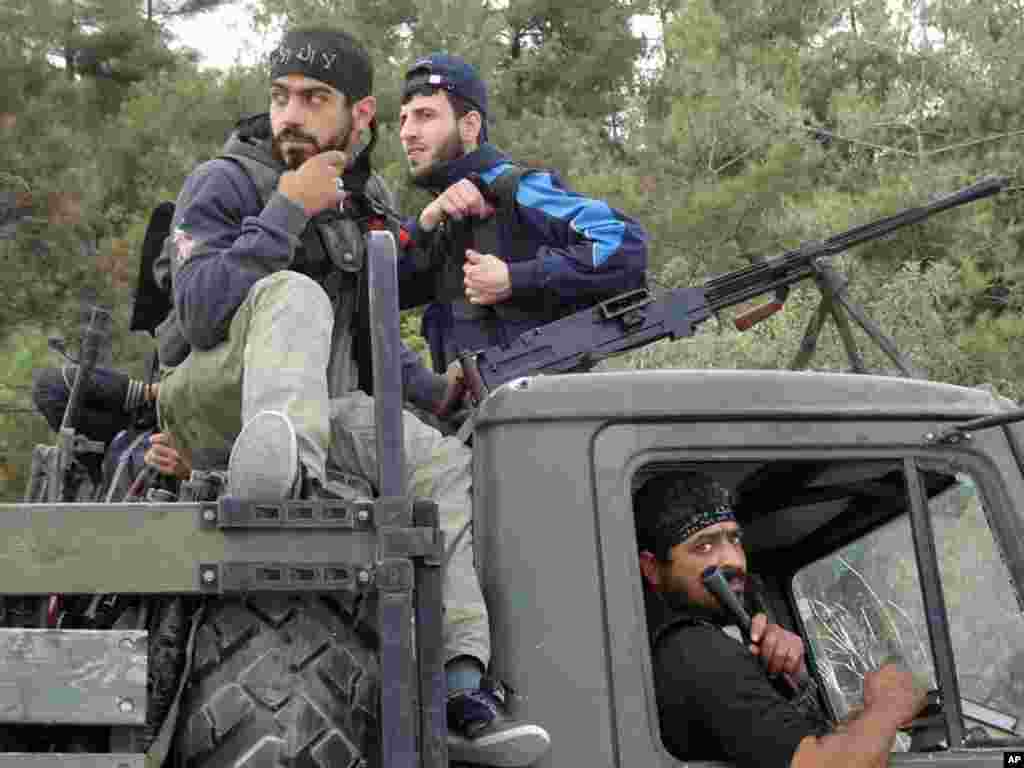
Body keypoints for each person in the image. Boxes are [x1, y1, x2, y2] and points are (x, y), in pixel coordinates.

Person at [153, 25, 548, 765]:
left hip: (314, 415)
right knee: (297, 296)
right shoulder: (227, 179)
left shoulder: (365, 201)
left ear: (359, 116)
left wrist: (439, 396)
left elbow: (370, 342)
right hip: (212, 398)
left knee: (440, 467)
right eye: (280, 97)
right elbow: (198, 312)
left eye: (314, 98)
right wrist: (286, 211)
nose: (290, 114)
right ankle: (276, 471)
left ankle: (464, 691)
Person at [634, 471, 927, 768]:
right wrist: (890, 704)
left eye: (734, 539)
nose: (734, 560)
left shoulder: (674, 651)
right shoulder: (697, 651)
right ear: (652, 568)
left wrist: (793, 681)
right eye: (704, 547)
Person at [396, 53, 648, 376]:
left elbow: (624, 241)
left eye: (425, 116)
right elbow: (381, 292)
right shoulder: (440, 219)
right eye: (404, 119)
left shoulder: (520, 190)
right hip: (474, 417)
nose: (407, 132)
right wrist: (424, 222)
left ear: (470, 125)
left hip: (550, 413)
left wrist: (515, 278)